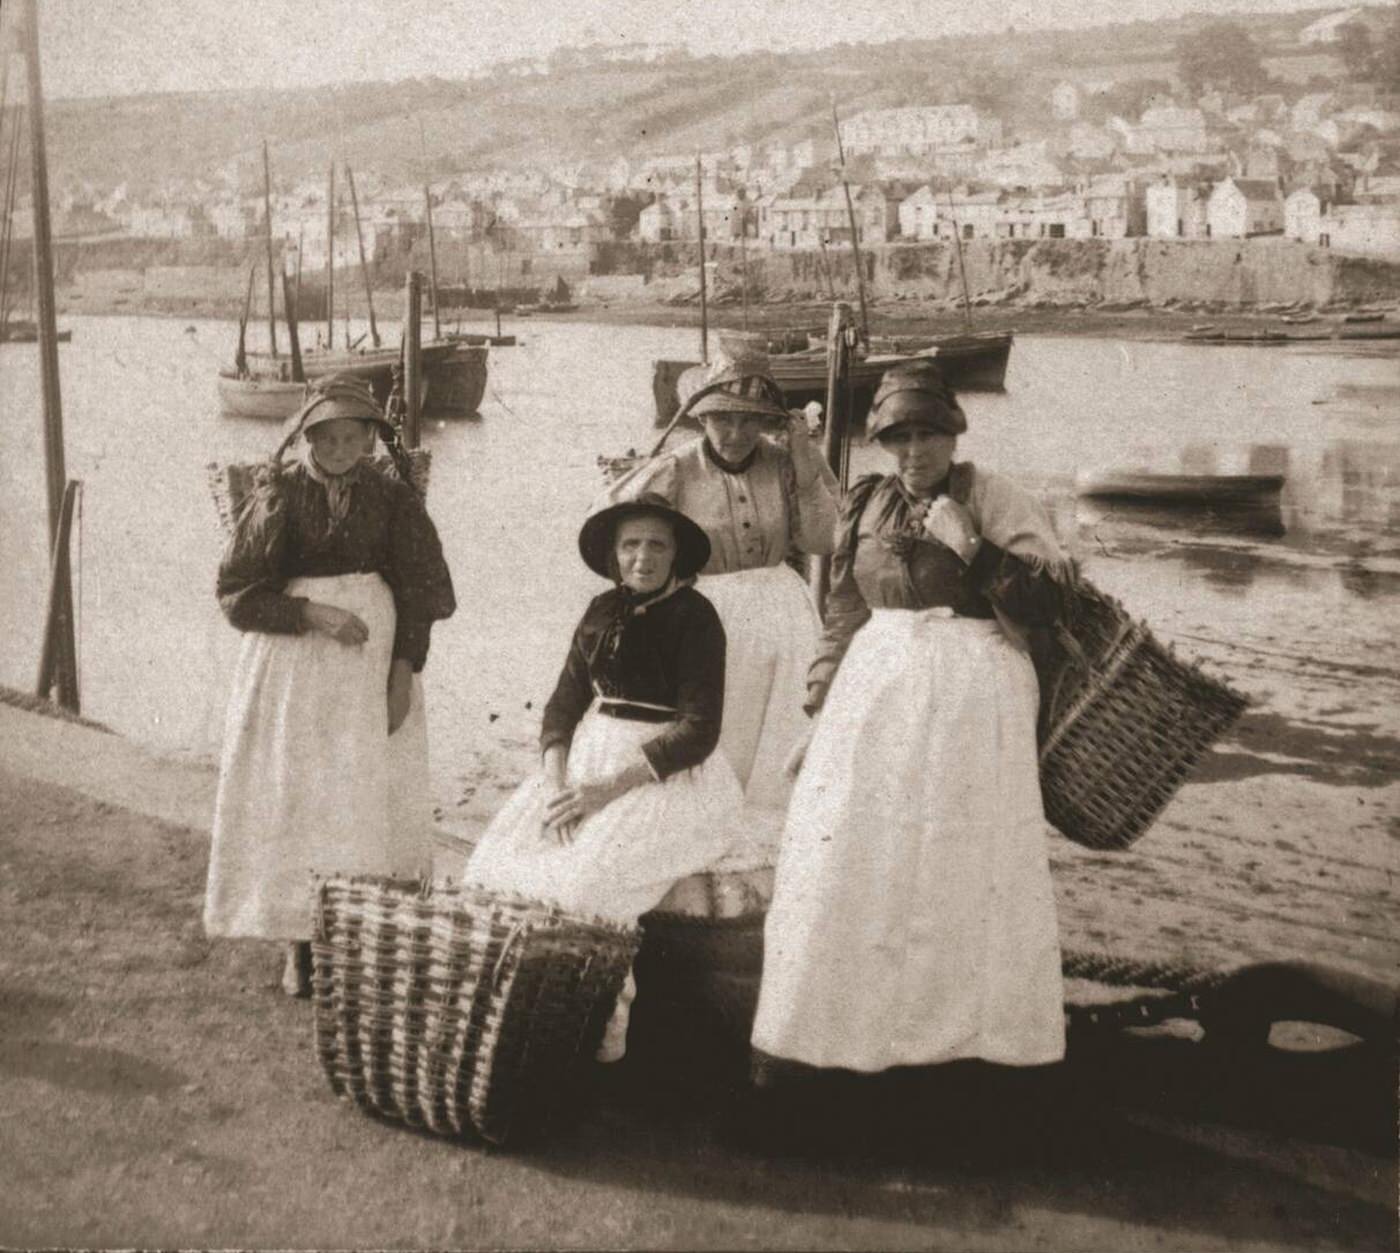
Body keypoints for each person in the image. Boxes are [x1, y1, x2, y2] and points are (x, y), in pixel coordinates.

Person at [750, 359, 1072, 1076]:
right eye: (898, 438)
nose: (914, 452)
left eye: (927, 435)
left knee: (957, 863)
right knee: (850, 853)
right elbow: (843, 611)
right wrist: (817, 711)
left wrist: (971, 546)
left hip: (972, 692)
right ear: (882, 443)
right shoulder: (866, 501)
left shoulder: (995, 497)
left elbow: (1049, 611)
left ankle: (964, 1049)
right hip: (876, 690)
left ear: (953, 435)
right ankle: (841, 1039)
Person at [465, 493, 743, 1061]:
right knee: (492, 867)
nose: (643, 557)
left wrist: (602, 792)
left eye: (657, 545)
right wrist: (554, 780)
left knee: (586, 889)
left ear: (675, 555)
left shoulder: (697, 618)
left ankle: (594, 1036)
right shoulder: (598, 610)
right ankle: (508, 1022)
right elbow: (562, 706)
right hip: (586, 762)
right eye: (631, 545)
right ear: (615, 555)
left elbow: (699, 730)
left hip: (665, 775)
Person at [204, 375, 456, 997]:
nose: (340, 448)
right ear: (306, 438)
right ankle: (300, 944)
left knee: (366, 798)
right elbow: (238, 597)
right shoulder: (279, 495)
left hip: (370, 664)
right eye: (327, 437)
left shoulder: (394, 498)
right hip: (294, 667)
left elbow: (423, 594)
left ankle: (361, 940)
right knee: (301, 798)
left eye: (353, 436)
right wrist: (314, 614)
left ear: (372, 437)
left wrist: (403, 674)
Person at [602, 344, 838, 872]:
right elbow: (625, 540)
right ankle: (702, 847)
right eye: (722, 420)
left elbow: (825, 539)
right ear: (703, 417)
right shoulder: (676, 468)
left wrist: (804, 463)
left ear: (767, 424)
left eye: (749, 423)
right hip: (708, 612)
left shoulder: (785, 466)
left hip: (781, 609)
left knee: (780, 735)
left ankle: (780, 859)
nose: (734, 435)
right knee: (714, 729)